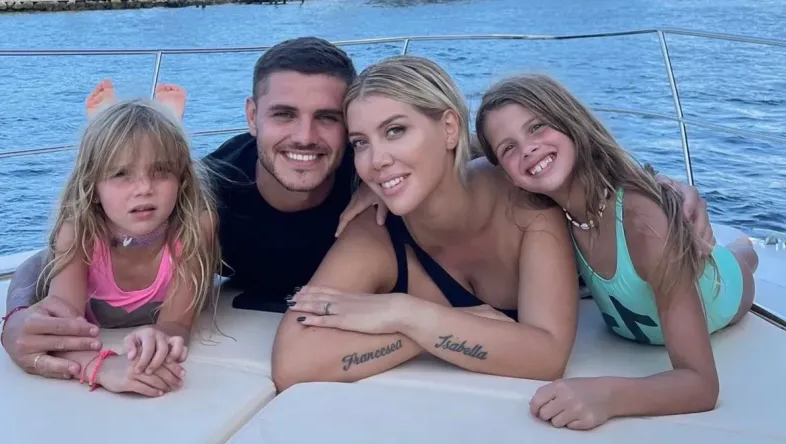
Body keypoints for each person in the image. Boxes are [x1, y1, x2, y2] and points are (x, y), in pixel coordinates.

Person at [0, 36, 711, 381]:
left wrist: (659, 187)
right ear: (251, 116)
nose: (308, 138)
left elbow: (529, 162)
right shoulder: (210, 189)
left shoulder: (382, 191)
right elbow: (90, 228)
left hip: (606, 289)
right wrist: (20, 315)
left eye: (335, 122)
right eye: (283, 114)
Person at [270, 55, 718, 392]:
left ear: (450, 128)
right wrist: (425, 327)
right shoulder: (376, 229)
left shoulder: (524, 200)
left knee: (737, 263)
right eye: (360, 143)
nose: (376, 160)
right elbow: (293, 363)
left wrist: (404, 312)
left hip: (665, 286)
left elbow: (546, 357)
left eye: (395, 131)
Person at [474, 73, 758, 430]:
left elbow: (701, 385)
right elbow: (466, 168)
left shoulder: (644, 224)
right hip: (639, 316)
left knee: (742, 258)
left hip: (725, 291)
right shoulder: (552, 220)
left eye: (537, 127)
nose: (527, 149)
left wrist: (606, 396)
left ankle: (746, 248)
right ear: (507, 176)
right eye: (508, 148)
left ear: (570, 121)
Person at [1, 94, 220, 397]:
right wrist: (102, 367)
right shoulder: (77, 232)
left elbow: (175, 325)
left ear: (182, 180)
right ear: (92, 187)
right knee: (34, 273)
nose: (144, 188)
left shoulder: (196, 227)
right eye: (120, 174)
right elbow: (63, 328)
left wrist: (156, 343)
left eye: (161, 171)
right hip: (60, 263)